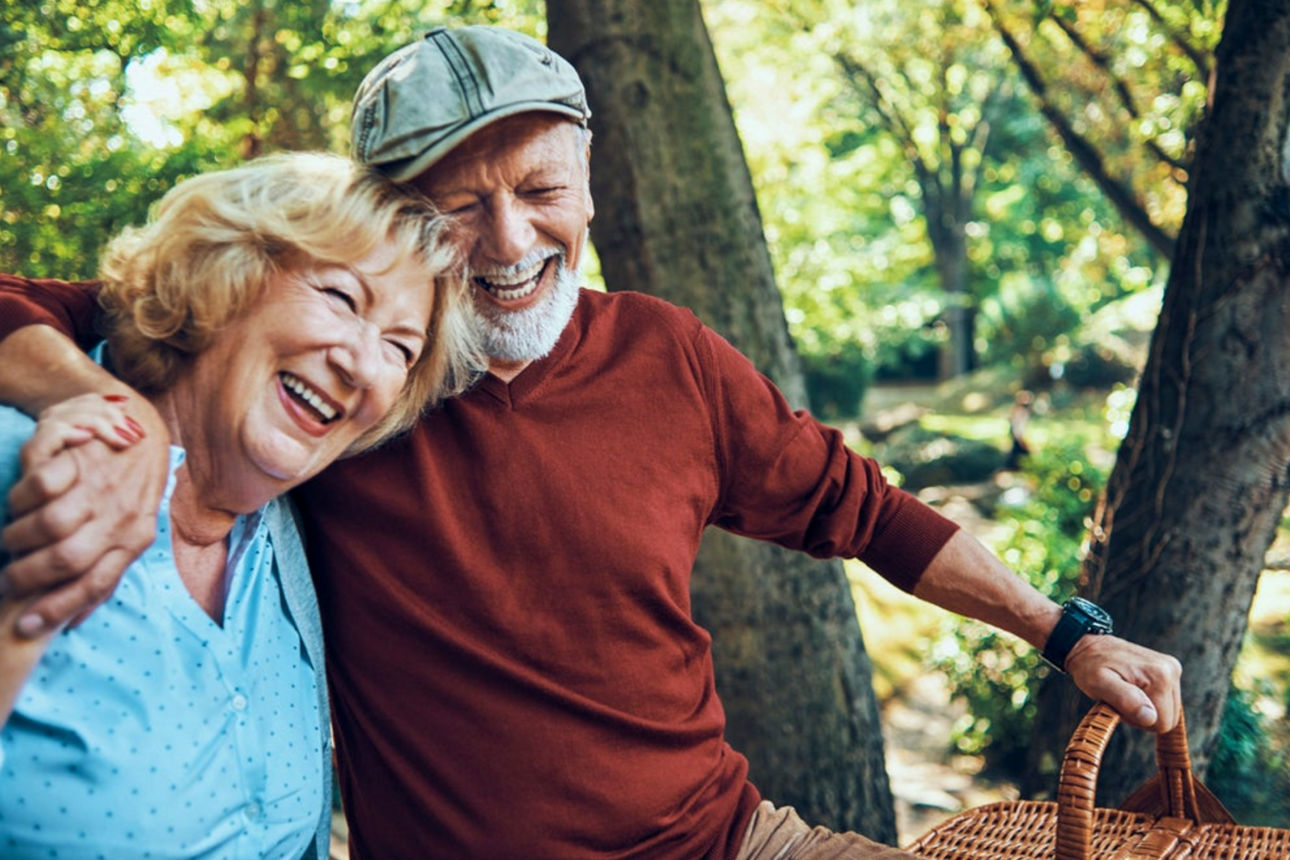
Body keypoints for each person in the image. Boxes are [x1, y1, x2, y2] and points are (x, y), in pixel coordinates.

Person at [0, 25, 1181, 860]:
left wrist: (1065, 631)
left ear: (588, 183)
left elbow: (866, 507)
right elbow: (99, 308)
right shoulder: (330, 380)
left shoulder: (669, 357)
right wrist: (85, 406)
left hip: (734, 840)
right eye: (459, 205)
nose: (510, 237)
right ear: (392, 229)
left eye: (538, 187)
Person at [0, 151, 479, 859]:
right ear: (226, 276)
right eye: (342, 298)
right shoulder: (31, 467)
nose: (361, 364)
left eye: (400, 349)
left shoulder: (296, 539)